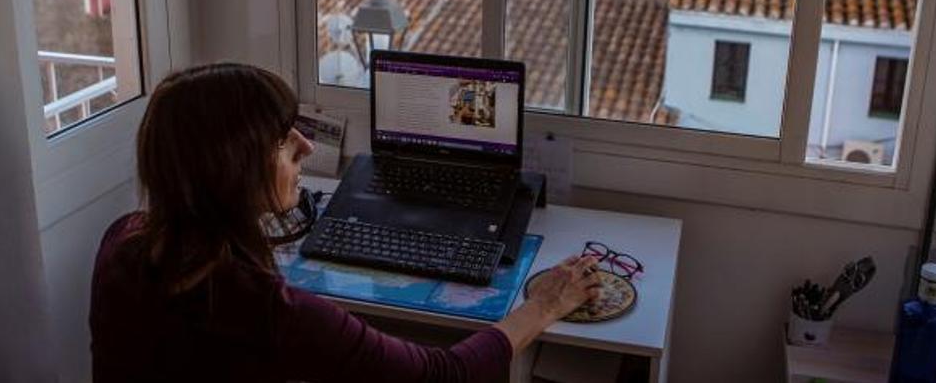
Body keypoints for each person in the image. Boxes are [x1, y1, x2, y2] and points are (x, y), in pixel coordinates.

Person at [90, 63, 601, 382]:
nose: (307, 148)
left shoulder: (123, 240)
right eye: (282, 140)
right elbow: (443, 374)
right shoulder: (264, 309)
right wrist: (544, 305)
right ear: (232, 168)